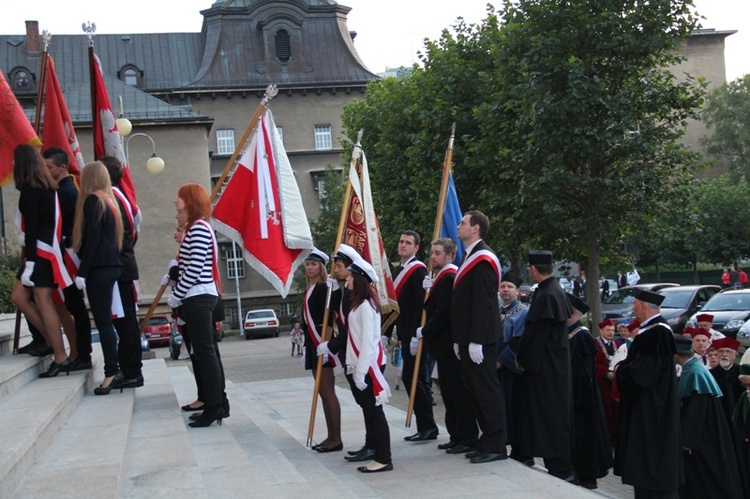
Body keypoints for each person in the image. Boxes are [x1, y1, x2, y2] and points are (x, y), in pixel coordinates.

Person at [614, 288, 682, 497]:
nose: (632, 309)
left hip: (652, 410)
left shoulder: (657, 333)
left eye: (634, 304)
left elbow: (640, 375)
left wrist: (619, 370)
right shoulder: (651, 332)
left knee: (652, 460)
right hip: (648, 407)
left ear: (643, 305)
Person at [451, 211, 507, 464]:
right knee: (475, 392)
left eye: (463, 222)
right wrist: (460, 337)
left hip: (481, 339)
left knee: (487, 392)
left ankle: (496, 445)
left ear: (475, 228)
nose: (458, 225)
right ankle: (487, 442)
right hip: (467, 337)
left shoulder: (483, 258)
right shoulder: (470, 256)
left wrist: (476, 339)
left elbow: (484, 303)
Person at [167, 183, 224, 427]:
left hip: (199, 296)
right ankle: (217, 403)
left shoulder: (199, 228)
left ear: (189, 201)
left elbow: (194, 268)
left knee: (205, 354)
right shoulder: (196, 228)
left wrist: (176, 295)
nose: (175, 202)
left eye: (179, 198)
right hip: (197, 296)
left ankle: (214, 406)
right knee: (205, 354)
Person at [10, 145, 70, 377]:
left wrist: (31, 264)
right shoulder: (46, 186)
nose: (13, 165)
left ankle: (59, 353)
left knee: (42, 301)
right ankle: (53, 344)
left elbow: (33, 230)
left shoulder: (30, 189)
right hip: (45, 250)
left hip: (40, 253)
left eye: (15, 161)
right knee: (22, 297)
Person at [516, 250, 575, 482]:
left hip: (546, 370)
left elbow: (536, 335)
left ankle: (560, 467)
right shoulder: (552, 291)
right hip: (551, 367)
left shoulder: (547, 295)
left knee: (549, 417)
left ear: (532, 269)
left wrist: (523, 359)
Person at [419, 238, 478, 455]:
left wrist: (425, 331)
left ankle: (468, 437)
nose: (433, 257)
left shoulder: (450, 277)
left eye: (437, 253)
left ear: (450, 255)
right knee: (449, 394)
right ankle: (456, 436)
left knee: (459, 392)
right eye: (432, 252)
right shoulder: (441, 278)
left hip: (449, 344)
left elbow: (442, 312)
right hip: (442, 346)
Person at [318, 244, 375, 463]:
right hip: (348, 353)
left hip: (359, 355)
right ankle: (370, 443)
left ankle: (373, 445)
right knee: (363, 403)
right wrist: (332, 292)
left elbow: (350, 330)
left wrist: (330, 346)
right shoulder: (345, 293)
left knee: (369, 405)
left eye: (340, 266)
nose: (337, 270)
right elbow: (337, 315)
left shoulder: (358, 297)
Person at [72, 161, 124, 393]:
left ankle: (111, 373)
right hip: (110, 265)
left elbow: (92, 238)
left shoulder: (93, 200)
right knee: (107, 322)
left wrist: (82, 271)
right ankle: (114, 369)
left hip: (99, 268)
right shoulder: (109, 201)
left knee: (103, 322)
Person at [674, 336, 744, 499]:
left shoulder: (694, 372)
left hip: (705, 437)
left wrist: (687, 440)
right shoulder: (695, 368)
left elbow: (697, 408)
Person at [42, 147, 93, 372]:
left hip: (68, 255)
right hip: (65, 254)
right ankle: (78, 352)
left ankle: (82, 353)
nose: (45, 170)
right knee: (72, 306)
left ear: (62, 167)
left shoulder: (66, 192)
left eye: (49, 166)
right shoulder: (64, 189)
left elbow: (66, 226)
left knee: (75, 306)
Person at [345, 256, 392, 473]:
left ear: (360, 280)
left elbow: (367, 343)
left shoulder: (365, 306)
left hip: (368, 366)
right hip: (361, 365)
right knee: (371, 412)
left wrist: (361, 372)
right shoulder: (361, 304)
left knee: (375, 413)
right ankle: (379, 455)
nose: (347, 281)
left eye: (351, 278)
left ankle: (383, 458)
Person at [99, 156, 143, 389]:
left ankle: (131, 371)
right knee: (125, 323)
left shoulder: (112, 199)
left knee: (124, 323)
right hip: (123, 266)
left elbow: (122, 236)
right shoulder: (118, 197)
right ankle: (132, 370)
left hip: (119, 268)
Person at [393, 230, 438, 442]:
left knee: (412, 378)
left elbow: (422, 306)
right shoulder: (397, 271)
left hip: (416, 334)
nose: (403, 245)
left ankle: (428, 426)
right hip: (404, 333)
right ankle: (426, 426)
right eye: (402, 242)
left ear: (416, 248)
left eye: (408, 242)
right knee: (415, 379)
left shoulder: (419, 270)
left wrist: (415, 336)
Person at [566, 294, 613, 489]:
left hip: (582, 400)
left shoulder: (581, 335)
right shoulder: (569, 332)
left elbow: (586, 373)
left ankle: (587, 476)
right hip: (572, 396)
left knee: (585, 437)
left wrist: (579, 399)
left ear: (574, 312)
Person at [301, 248, 342, 452]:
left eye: (314, 264)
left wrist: (324, 346)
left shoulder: (325, 287)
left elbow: (330, 318)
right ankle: (330, 436)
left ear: (322, 267)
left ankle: (336, 438)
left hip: (322, 342)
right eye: (308, 264)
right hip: (312, 343)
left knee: (327, 391)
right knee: (322, 392)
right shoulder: (309, 288)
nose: (310, 267)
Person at [496, 272, 530, 465]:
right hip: (498, 369)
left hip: (513, 368)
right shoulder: (498, 311)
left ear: (517, 291)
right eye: (503, 287)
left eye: (509, 287)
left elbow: (519, 341)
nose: (506, 290)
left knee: (515, 408)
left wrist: (502, 360)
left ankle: (521, 450)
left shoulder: (522, 312)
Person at [709, 337, 743, 427]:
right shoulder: (710, 374)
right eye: (721, 351)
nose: (724, 354)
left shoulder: (742, 372)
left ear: (734, 355)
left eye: (728, 352)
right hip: (719, 416)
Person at [594, 319, 618, 441]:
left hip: (615, 384)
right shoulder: (595, 345)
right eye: (608, 330)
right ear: (601, 330)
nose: (610, 333)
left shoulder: (617, 345)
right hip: (602, 384)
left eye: (612, 330)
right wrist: (605, 373)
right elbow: (593, 364)